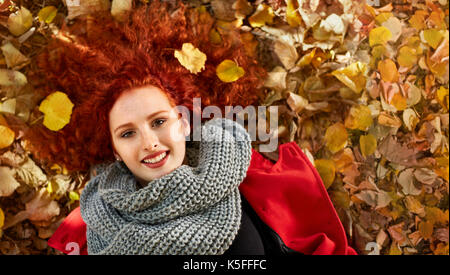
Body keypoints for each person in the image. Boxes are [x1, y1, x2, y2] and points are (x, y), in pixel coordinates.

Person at [25, 1, 357, 255]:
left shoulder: (241, 174)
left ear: (183, 122)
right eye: (128, 133)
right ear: (113, 148)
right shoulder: (94, 219)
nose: (149, 143)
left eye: (158, 122)